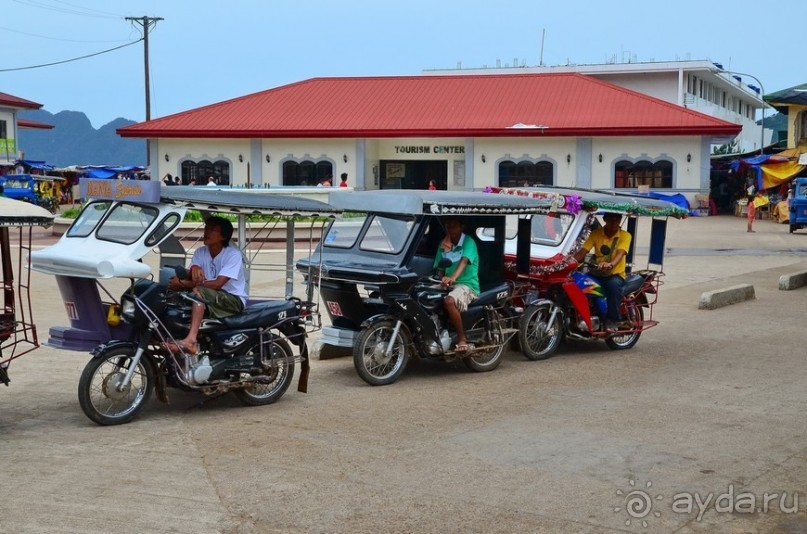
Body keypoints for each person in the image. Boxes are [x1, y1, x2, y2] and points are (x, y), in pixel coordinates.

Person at [165, 216, 247, 354]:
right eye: (206, 228)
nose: (207, 232)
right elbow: (192, 275)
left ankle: (191, 340)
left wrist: (182, 283)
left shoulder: (233, 254)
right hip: (211, 297)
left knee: (197, 291)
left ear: (223, 236)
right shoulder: (200, 252)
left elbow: (217, 284)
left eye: (212, 229)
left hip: (232, 300)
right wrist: (193, 269)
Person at [574, 212, 632, 333]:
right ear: (605, 219)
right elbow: (583, 251)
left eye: (617, 219)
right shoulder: (596, 234)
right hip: (597, 272)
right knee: (578, 283)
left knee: (613, 286)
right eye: (611, 218)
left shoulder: (625, 236)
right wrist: (569, 262)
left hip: (615, 274)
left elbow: (621, 253)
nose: (614, 221)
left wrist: (611, 264)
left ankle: (613, 320)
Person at [433, 218, 480, 352]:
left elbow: (464, 262)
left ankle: (462, 339)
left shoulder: (468, 242)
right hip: (449, 283)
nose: (450, 229)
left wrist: (452, 278)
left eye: (454, 226)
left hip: (467, 284)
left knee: (449, 301)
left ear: (462, 227)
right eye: (448, 226)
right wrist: (442, 279)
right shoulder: (444, 244)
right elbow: (440, 267)